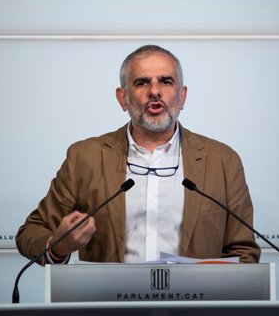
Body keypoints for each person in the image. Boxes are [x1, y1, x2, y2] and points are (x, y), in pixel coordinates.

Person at [16, 44, 260, 264]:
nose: (155, 91)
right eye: (142, 82)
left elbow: (243, 253)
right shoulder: (85, 157)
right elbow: (31, 232)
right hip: (111, 308)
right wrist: (59, 247)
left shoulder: (222, 161)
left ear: (182, 95)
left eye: (166, 81)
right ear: (123, 98)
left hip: (193, 309)